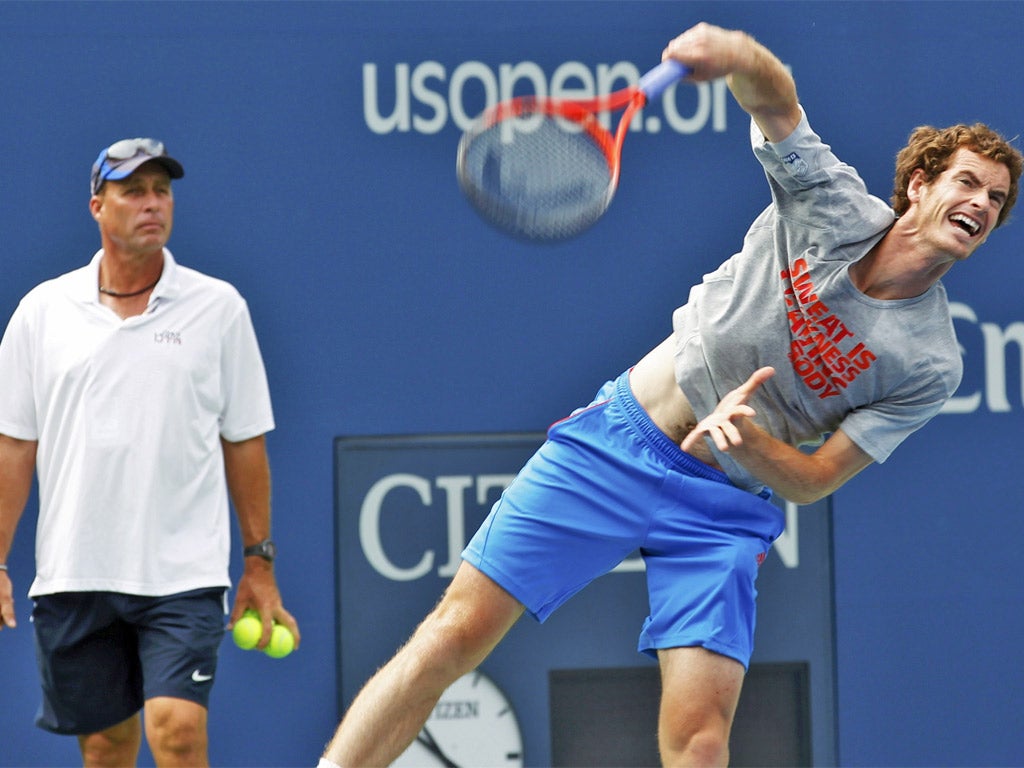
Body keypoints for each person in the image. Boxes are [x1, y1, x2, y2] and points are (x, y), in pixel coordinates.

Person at [319, 22, 1021, 768]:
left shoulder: (931, 362)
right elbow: (776, 100)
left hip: (721, 510)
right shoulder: (833, 207)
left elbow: (817, 480)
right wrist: (734, 56)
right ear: (921, 185)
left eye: (997, 201)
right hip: (620, 443)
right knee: (450, 637)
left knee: (701, 741)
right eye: (967, 182)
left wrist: (752, 443)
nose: (981, 203)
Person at [0, 137, 300, 767]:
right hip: (75, 571)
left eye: (161, 191)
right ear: (97, 208)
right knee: (107, 748)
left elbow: (244, 441)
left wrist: (259, 562)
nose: (152, 204)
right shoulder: (41, 313)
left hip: (182, 575)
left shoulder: (219, 309)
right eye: (133, 191)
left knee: (177, 729)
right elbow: (14, 447)